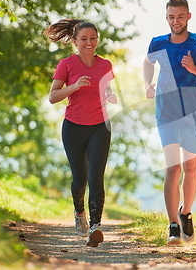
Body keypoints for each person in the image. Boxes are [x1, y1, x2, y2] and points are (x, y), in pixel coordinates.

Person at [143, 0, 196, 245]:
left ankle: (186, 212)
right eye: (171, 16)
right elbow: (148, 63)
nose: (175, 21)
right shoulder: (158, 43)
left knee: (190, 170)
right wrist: (148, 84)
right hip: (166, 114)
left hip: (195, 115)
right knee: (172, 169)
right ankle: (173, 226)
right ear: (166, 17)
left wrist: (194, 69)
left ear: (188, 16)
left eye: (180, 16)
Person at [44, 19, 117, 247]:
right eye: (84, 39)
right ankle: (79, 212)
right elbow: (53, 96)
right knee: (80, 180)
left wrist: (110, 96)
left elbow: (106, 88)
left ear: (98, 40)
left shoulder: (105, 65)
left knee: (96, 177)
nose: (89, 43)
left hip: (100, 127)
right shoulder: (66, 64)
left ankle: (96, 226)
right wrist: (74, 86)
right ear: (75, 41)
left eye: (93, 38)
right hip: (73, 127)